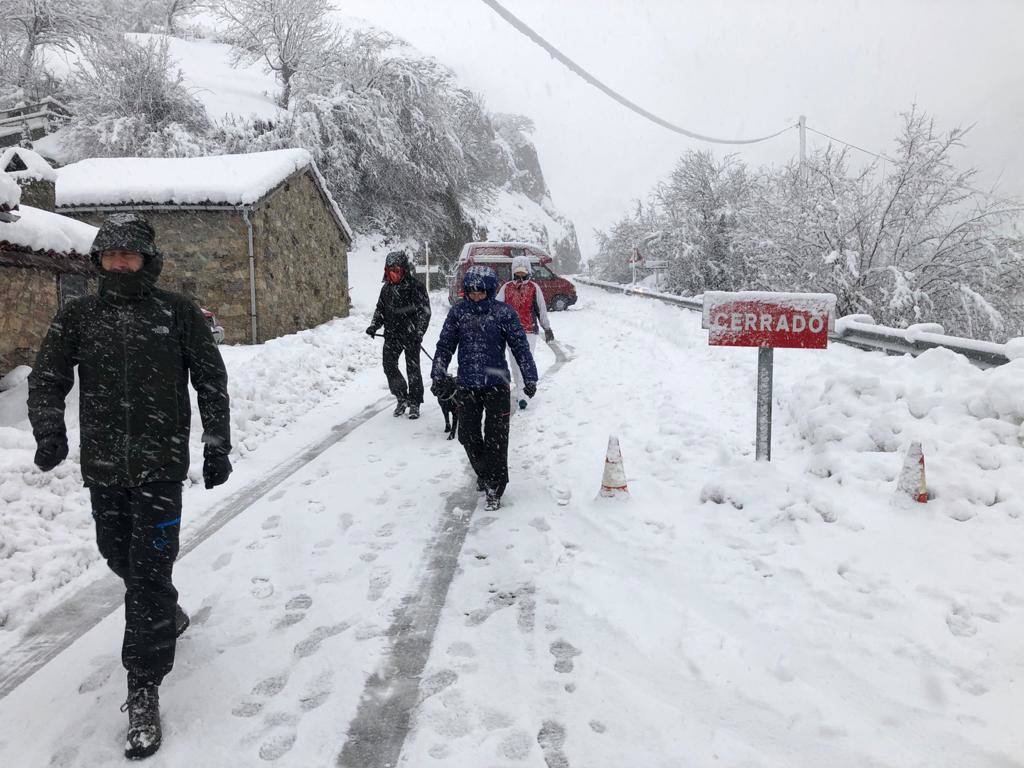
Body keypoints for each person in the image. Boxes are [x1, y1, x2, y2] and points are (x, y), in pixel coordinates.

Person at [27, 213, 232, 760]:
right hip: (104, 467)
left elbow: (210, 378)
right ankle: (168, 611)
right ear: (99, 261)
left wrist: (216, 442)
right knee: (119, 555)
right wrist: (49, 429)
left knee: (146, 574)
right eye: (110, 255)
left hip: (161, 465)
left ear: (146, 259)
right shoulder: (78, 316)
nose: (119, 263)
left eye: (129, 255)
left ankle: (142, 686)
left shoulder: (177, 313)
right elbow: (47, 377)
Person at [431, 266, 538, 511]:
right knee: (467, 434)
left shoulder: (503, 314)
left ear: (489, 291)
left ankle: (495, 486)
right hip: (467, 384)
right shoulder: (458, 313)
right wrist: (438, 372)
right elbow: (445, 345)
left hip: (497, 385)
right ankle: (484, 471)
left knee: (496, 439)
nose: (475, 295)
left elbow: (520, 347)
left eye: (480, 292)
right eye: (471, 291)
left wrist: (529, 377)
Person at [366, 250, 431, 419]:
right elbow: (380, 310)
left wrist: (419, 331)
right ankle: (402, 397)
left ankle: (415, 402)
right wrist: (374, 325)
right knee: (389, 365)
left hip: (411, 335)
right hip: (392, 335)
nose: (393, 274)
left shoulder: (416, 287)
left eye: (396, 270)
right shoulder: (386, 290)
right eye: (390, 271)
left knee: (413, 369)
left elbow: (425, 311)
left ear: (404, 270)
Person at [496, 255, 554, 410]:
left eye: (523, 273)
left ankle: (523, 395)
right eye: (518, 273)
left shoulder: (534, 288)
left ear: (528, 272)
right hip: (510, 332)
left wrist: (546, 328)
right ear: (513, 272)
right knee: (515, 363)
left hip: (529, 331)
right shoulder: (506, 287)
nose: (520, 276)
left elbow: (541, 309)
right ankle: (522, 391)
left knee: (526, 360)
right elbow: (496, 308)